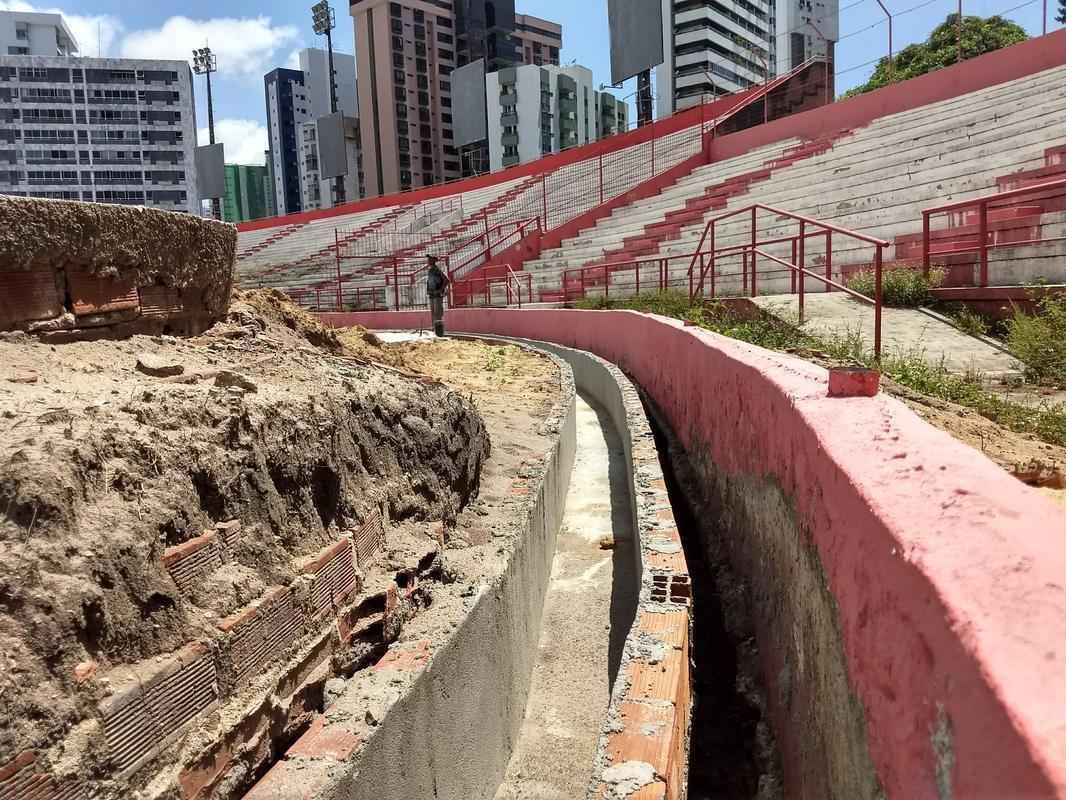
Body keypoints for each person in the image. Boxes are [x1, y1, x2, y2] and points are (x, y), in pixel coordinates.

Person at [426, 255, 451, 337]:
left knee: (438, 313)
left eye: (429, 259)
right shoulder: (430, 270)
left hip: (437, 295)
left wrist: (440, 290)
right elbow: (429, 282)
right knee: (433, 313)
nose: (428, 261)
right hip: (432, 294)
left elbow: (447, 280)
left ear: (433, 261)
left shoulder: (438, 270)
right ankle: (434, 329)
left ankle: (439, 331)